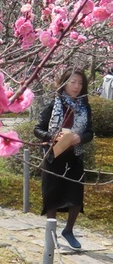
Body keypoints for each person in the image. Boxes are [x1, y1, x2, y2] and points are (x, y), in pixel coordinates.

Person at [34, 67, 93, 250]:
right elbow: (38, 129)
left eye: (80, 83)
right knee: (52, 196)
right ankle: (51, 234)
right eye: (73, 82)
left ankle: (68, 230)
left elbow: (90, 132)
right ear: (64, 83)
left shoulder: (85, 107)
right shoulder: (53, 104)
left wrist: (80, 138)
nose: (76, 86)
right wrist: (52, 137)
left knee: (75, 197)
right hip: (54, 156)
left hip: (74, 157)